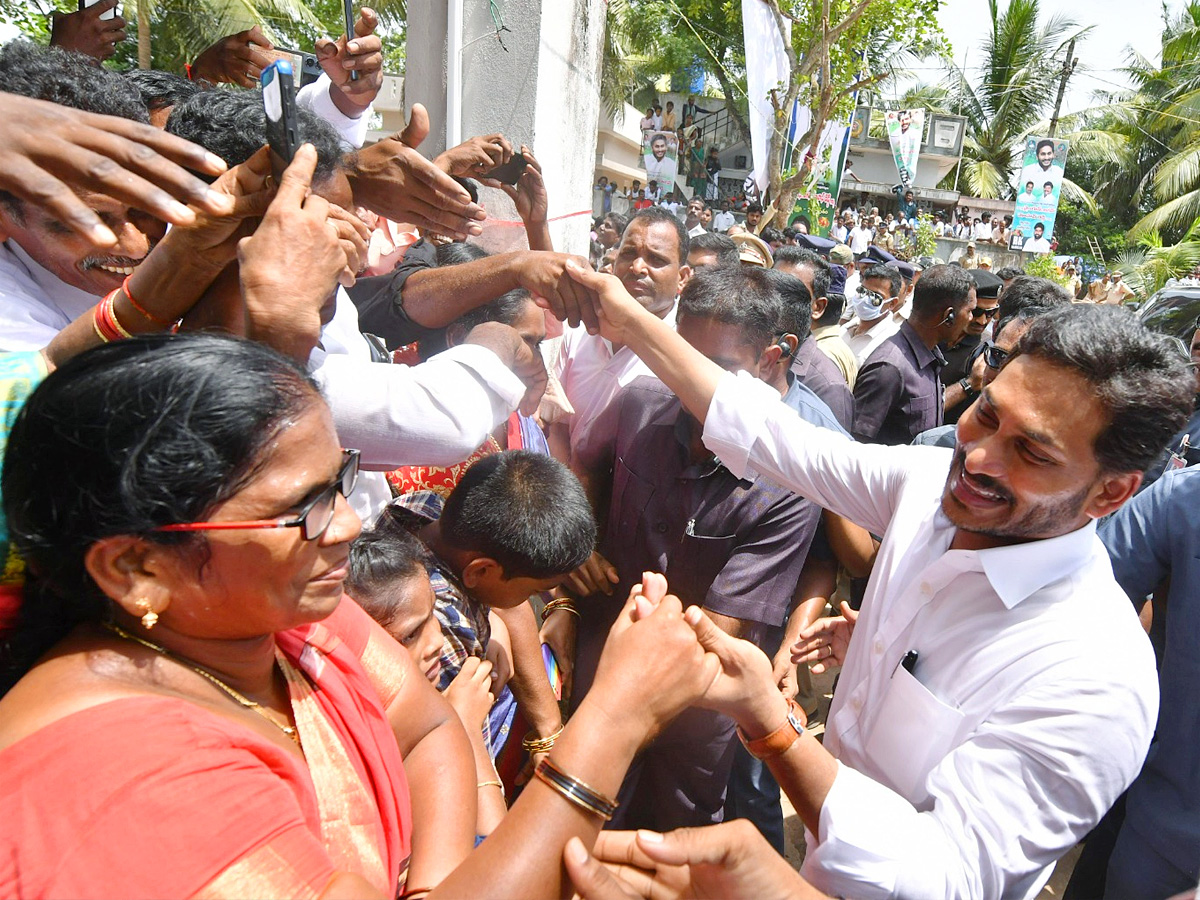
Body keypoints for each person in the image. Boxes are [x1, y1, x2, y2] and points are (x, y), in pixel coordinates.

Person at [555, 267, 1191, 900]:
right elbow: (777, 439)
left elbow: (948, 875)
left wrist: (773, 727)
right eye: (988, 415)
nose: (977, 458)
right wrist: (628, 319)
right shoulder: (931, 484)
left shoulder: (1098, 678)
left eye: (1033, 453)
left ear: (1110, 493)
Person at [569, 265, 823, 833]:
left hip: (697, 702)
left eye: (721, 369)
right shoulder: (637, 402)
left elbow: (721, 625)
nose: (694, 384)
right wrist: (579, 544)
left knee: (680, 835)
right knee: (583, 822)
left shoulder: (789, 478)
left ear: (771, 360)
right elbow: (586, 465)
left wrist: (627, 698)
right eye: (684, 356)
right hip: (601, 666)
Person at [1090, 468, 1200, 897]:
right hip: (1159, 829)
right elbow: (1081, 603)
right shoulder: (1184, 498)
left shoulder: (1186, 496)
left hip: (1160, 830)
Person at [553, 207, 690, 458]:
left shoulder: (689, 347)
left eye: (656, 259)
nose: (637, 267)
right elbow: (558, 426)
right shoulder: (582, 330)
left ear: (682, 277)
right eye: (628, 254)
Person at [852, 265, 974, 445]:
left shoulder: (928, 357)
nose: (971, 318)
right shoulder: (889, 368)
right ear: (948, 316)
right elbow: (857, 447)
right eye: (969, 311)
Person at [774, 247, 858, 389]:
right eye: (770, 285)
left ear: (818, 307)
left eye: (789, 293)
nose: (773, 297)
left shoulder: (825, 379)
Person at [940, 268, 1003, 424]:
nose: (982, 321)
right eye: (976, 312)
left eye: (990, 313)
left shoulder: (987, 351)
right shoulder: (933, 333)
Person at [839, 264, 905, 367]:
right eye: (862, 291)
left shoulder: (890, 342)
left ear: (892, 304)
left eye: (875, 297)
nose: (865, 299)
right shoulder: (847, 327)